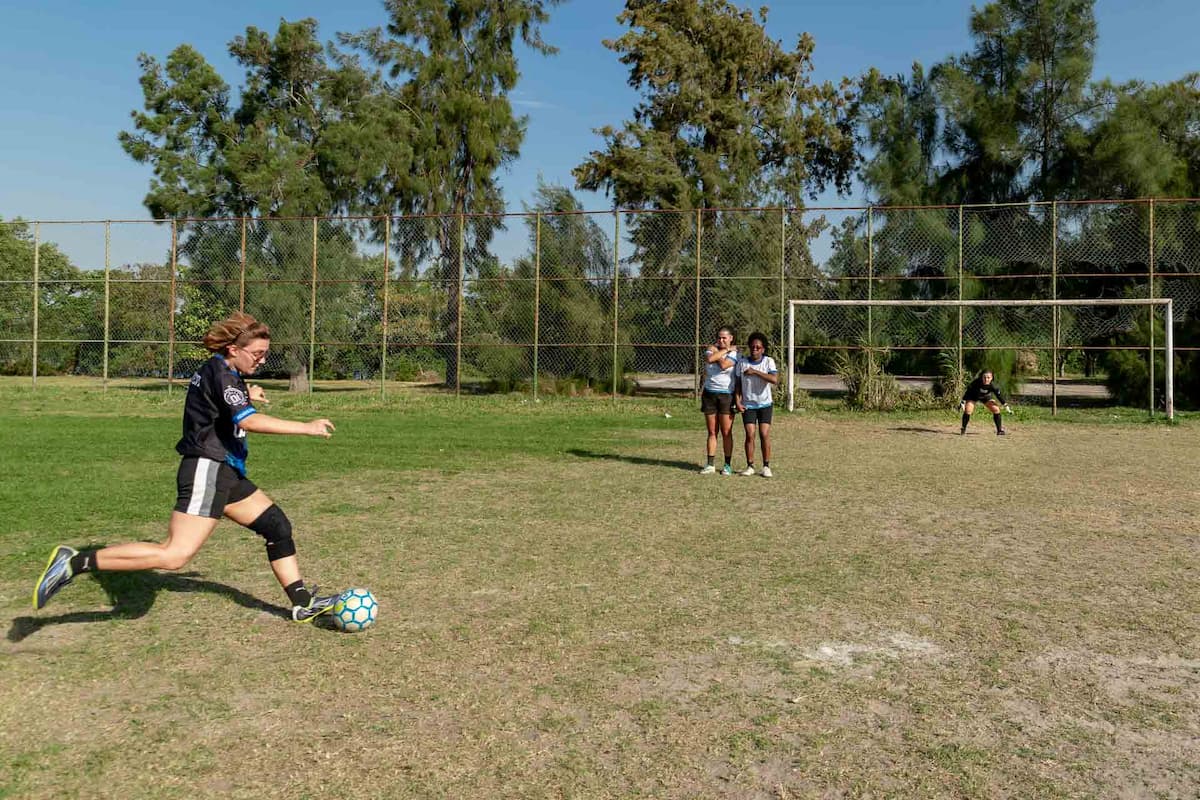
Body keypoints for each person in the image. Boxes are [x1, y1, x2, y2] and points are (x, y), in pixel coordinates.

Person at [33, 312, 342, 623]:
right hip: (207, 469)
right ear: (234, 349)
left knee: (276, 526)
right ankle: (74, 563)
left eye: (265, 354)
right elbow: (247, 420)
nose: (261, 361)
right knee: (174, 555)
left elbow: (214, 399)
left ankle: (303, 603)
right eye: (257, 354)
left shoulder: (220, 370)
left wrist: (248, 393)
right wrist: (306, 427)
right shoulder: (222, 373)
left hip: (225, 471)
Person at [735, 332, 778, 477]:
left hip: (765, 403)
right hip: (749, 405)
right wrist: (737, 401)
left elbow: (774, 379)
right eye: (752, 347)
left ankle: (766, 466)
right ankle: (750, 465)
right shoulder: (742, 363)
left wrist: (755, 372)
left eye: (758, 347)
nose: (755, 349)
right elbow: (738, 384)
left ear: (763, 349)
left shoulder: (768, 361)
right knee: (750, 434)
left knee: (764, 433)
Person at [700, 326, 738, 475]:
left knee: (726, 431)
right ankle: (710, 464)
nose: (721, 340)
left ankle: (727, 465)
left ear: (731, 338)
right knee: (712, 431)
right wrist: (726, 350)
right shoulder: (712, 349)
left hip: (726, 395)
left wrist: (722, 353)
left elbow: (723, 365)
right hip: (709, 394)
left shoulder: (735, 354)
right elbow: (710, 358)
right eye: (719, 337)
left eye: (724, 338)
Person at [959, 369, 1013, 435]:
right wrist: (963, 401)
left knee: (996, 409)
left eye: (988, 377)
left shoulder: (993, 386)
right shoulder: (976, 382)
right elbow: (968, 392)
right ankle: (963, 428)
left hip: (985, 397)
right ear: (981, 377)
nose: (986, 379)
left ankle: (999, 430)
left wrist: (1005, 405)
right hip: (973, 396)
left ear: (992, 378)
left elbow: (999, 396)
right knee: (968, 411)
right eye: (984, 377)